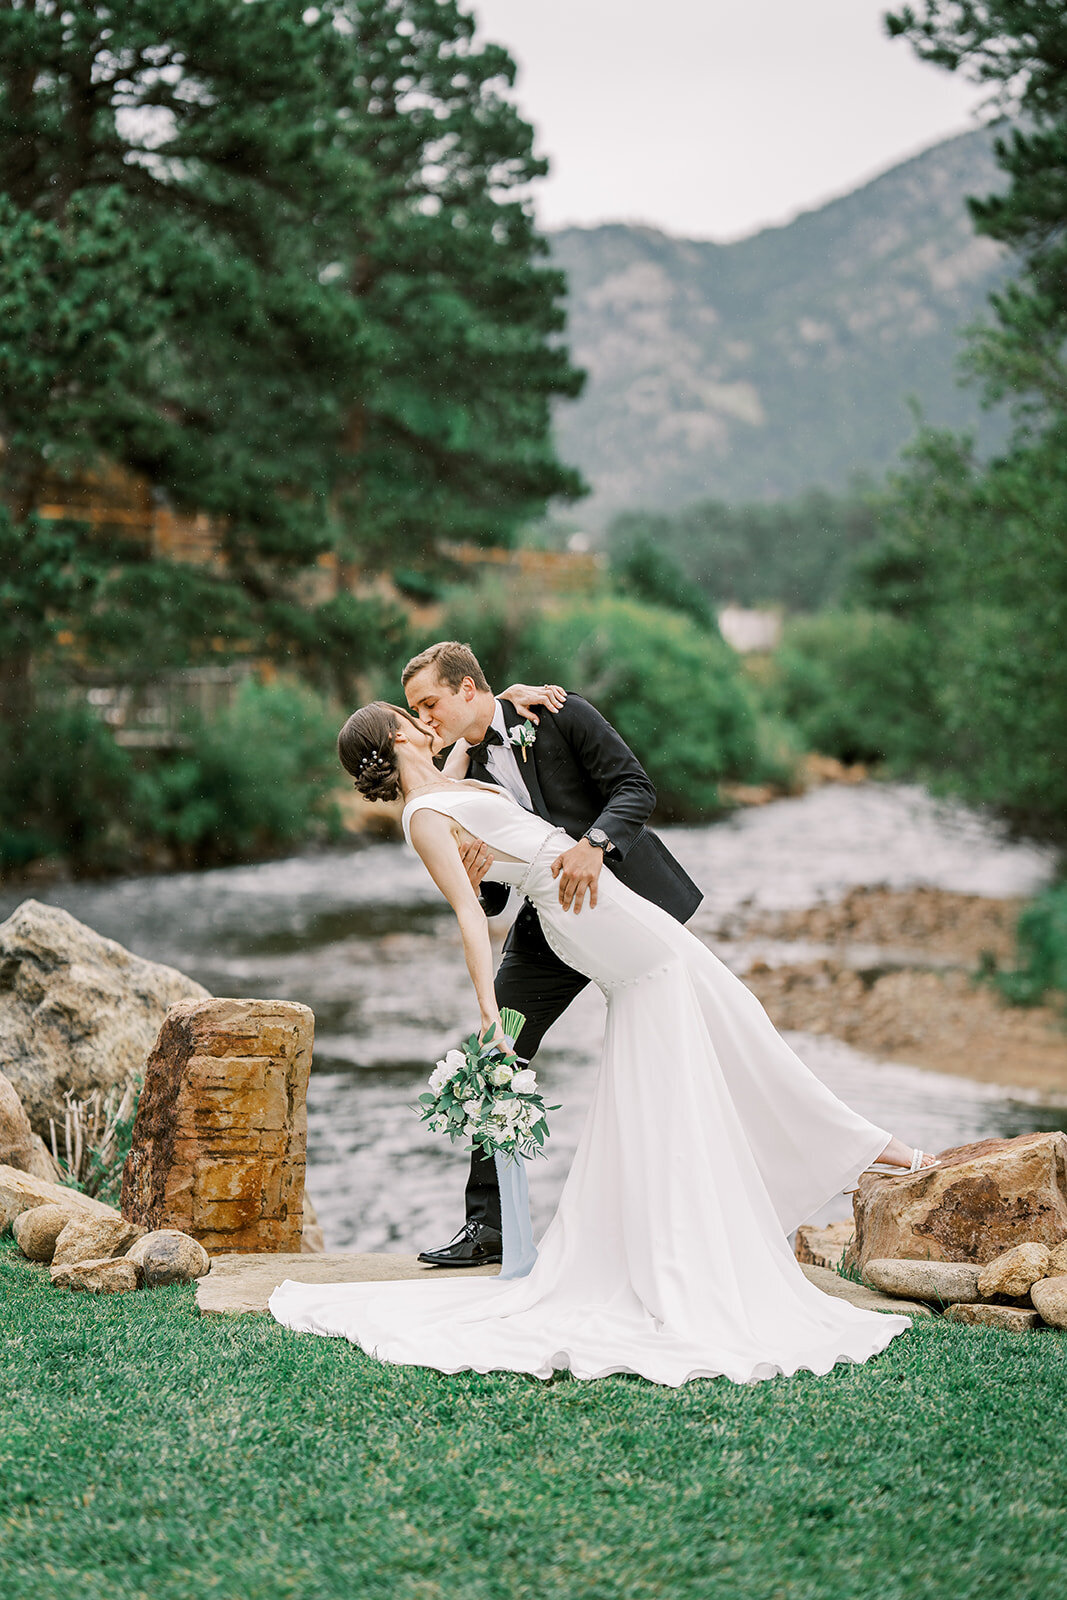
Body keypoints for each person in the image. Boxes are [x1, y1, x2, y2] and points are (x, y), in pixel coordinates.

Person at [268, 700, 938, 1387]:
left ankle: (748, 1203)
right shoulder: (423, 817)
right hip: (586, 916)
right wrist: (487, 1014)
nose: (423, 717)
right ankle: (865, 1159)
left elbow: (470, 759)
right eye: (409, 715)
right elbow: (469, 914)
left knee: (706, 1041)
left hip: (602, 903)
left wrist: (506, 700)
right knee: (720, 1026)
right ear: (395, 735)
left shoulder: (448, 782)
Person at [401, 641, 703, 1268]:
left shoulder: (561, 715)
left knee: (676, 1051)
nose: (426, 719)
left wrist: (595, 842)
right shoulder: (461, 776)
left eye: (430, 704)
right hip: (549, 928)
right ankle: (488, 1224)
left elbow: (635, 788)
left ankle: (690, 1209)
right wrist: (478, 870)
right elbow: (484, 899)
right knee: (497, 1050)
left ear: (467, 689)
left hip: (626, 907)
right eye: (414, 712)